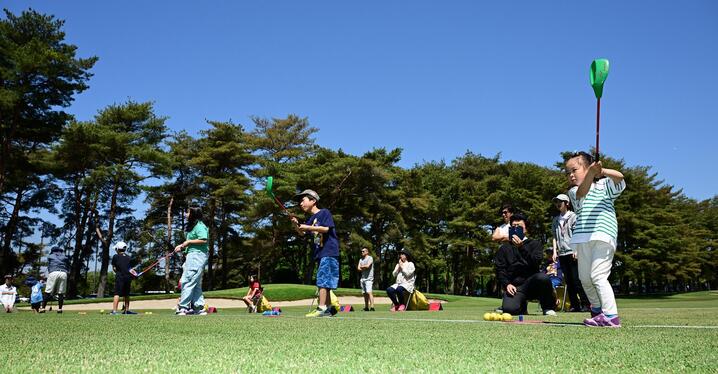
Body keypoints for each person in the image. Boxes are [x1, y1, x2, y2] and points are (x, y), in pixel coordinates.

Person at [565, 151, 626, 327]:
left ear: (587, 166)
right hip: (583, 238)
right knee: (585, 278)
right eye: (568, 172)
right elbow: (581, 194)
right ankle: (597, 311)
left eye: (574, 170)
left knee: (598, 275)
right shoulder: (574, 191)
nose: (570, 175)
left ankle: (611, 316)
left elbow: (620, 178)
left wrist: (602, 171)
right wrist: (591, 174)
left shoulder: (605, 185)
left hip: (603, 235)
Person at [494, 213, 557, 316]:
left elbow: (536, 262)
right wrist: (507, 284)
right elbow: (500, 269)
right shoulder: (504, 248)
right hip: (515, 286)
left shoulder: (535, 244)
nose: (515, 228)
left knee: (543, 278)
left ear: (526, 229)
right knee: (510, 309)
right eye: (513, 226)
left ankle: (547, 307)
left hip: (532, 284)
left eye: (519, 226)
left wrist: (521, 248)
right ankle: (521, 305)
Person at [291, 189, 340, 318]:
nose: (300, 203)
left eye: (303, 200)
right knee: (326, 281)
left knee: (323, 279)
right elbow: (302, 233)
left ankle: (321, 307)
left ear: (313, 201)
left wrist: (307, 227)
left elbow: (325, 228)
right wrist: (296, 225)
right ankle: (329, 308)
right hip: (321, 253)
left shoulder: (324, 212)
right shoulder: (311, 219)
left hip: (328, 251)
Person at [551, 193, 590, 312]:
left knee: (577, 280)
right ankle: (575, 305)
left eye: (560, 202)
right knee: (568, 281)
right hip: (562, 254)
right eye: (556, 202)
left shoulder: (573, 217)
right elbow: (554, 237)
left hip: (572, 252)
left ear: (567, 204)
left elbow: (578, 233)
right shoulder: (556, 219)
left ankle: (586, 304)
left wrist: (577, 250)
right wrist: (554, 252)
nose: (558, 204)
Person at [174, 206, 209, 316]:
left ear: (193, 213)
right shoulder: (193, 226)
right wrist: (182, 246)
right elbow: (191, 242)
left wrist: (188, 242)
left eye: (188, 212)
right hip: (192, 254)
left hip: (197, 256)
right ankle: (199, 307)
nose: (185, 214)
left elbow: (204, 239)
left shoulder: (200, 225)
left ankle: (183, 307)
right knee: (195, 282)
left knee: (187, 280)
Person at [111, 241, 138, 315]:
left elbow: (114, 268)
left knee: (117, 293)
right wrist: (135, 274)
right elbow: (130, 269)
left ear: (117, 249)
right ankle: (126, 310)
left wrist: (116, 271)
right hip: (128, 277)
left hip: (120, 277)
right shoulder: (129, 258)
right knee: (126, 294)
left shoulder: (115, 256)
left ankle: (114, 311)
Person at [43, 246, 70, 314]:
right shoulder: (64, 256)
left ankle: (43, 308)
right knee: (61, 293)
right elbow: (67, 264)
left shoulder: (50, 256)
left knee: (48, 291)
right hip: (63, 273)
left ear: (52, 251)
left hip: (53, 272)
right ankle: (60, 309)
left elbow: (49, 264)